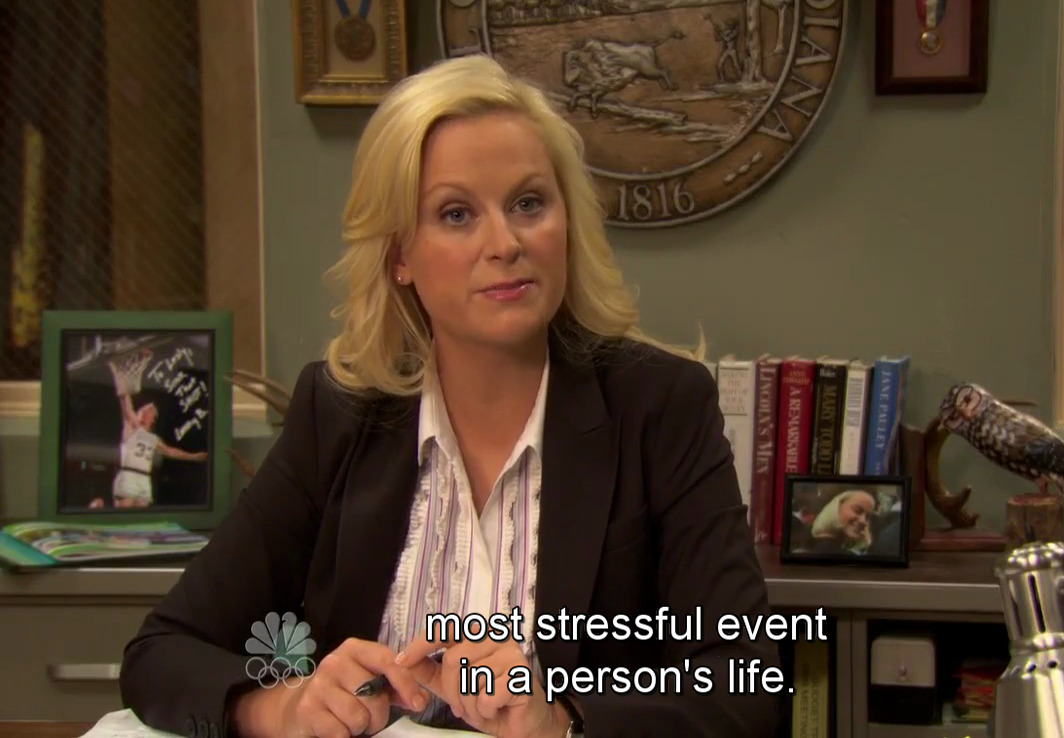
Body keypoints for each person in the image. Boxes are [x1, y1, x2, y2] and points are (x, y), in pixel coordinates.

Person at [118, 53, 779, 738]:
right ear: (399, 255)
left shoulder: (660, 406)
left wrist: (561, 720)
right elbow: (162, 650)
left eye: (528, 203)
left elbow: (746, 684)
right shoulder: (338, 414)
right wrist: (283, 706)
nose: (505, 243)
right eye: (456, 213)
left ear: (567, 223)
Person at [108, 349, 209, 509]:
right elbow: (127, 406)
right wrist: (120, 378)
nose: (147, 410)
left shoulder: (153, 438)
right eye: (146, 409)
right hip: (129, 474)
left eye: (150, 410)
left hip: (144, 478)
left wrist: (195, 457)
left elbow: (171, 452)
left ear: (153, 418)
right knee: (125, 510)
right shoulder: (132, 427)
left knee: (143, 512)